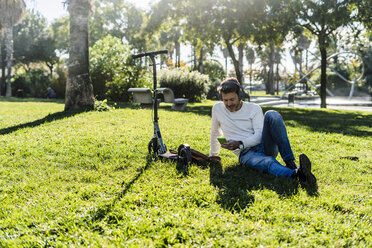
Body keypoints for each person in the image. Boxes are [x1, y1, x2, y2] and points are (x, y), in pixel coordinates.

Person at [210, 77, 316, 183]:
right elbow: (215, 132)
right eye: (225, 100)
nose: (229, 104)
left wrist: (239, 143)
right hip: (245, 154)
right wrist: (213, 155)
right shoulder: (217, 109)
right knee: (268, 162)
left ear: (240, 95)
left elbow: (259, 135)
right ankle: (297, 175)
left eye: (232, 99)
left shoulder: (254, 108)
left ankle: (290, 163)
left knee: (272, 115)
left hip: (264, 146)